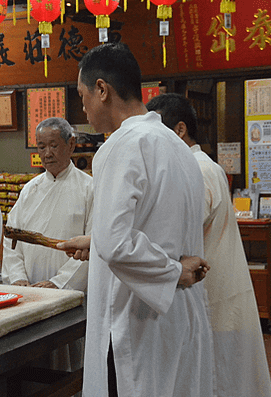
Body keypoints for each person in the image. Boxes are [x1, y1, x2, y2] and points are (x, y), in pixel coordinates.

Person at [69, 42, 213, 396]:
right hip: (179, 316)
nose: (83, 106)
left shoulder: (121, 145)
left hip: (135, 322)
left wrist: (172, 272)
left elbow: (118, 244)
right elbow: (156, 224)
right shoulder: (177, 146)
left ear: (102, 89)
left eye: (83, 95)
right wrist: (96, 240)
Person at [146, 93, 271, 396]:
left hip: (211, 295)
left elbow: (173, 232)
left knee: (219, 377)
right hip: (212, 292)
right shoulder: (198, 165)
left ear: (179, 130)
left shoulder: (197, 169)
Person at [1, 117, 93, 292]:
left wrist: (59, 282)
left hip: (70, 292)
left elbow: (92, 245)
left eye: (54, 145)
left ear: (71, 144)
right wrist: (17, 277)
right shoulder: (29, 190)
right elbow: (11, 239)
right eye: (42, 147)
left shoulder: (89, 188)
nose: (47, 153)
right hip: (29, 289)